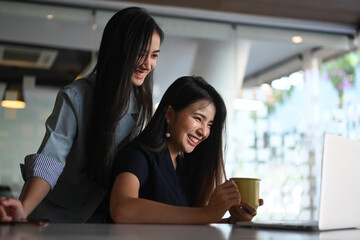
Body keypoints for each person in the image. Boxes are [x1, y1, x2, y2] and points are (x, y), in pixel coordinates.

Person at [0, 7, 164, 223]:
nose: (147, 64)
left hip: (106, 221)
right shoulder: (76, 96)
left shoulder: (143, 105)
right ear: (119, 49)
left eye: (153, 55)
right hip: (57, 218)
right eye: (140, 53)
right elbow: (51, 158)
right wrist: (24, 208)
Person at [110, 76, 263, 224]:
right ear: (170, 114)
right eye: (198, 119)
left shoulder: (183, 168)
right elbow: (122, 209)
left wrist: (231, 221)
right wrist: (207, 213)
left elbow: (182, 222)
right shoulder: (138, 155)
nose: (204, 132)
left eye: (209, 124)